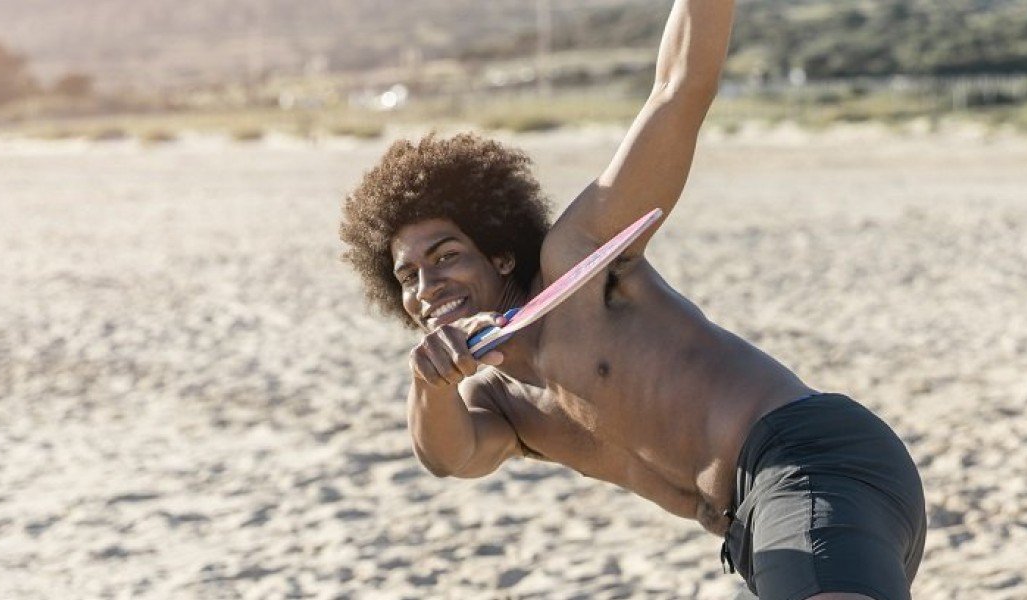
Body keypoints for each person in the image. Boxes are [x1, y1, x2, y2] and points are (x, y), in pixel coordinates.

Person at [339, 1, 925, 598]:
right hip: (752, 531)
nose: (426, 286)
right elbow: (450, 458)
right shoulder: (504, 404)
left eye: (445, 256)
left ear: (501, 255)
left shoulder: (577, 265)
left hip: (808, 462)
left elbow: (679, 90)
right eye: (407, 276)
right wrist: (429, 384)